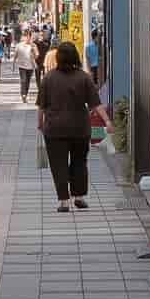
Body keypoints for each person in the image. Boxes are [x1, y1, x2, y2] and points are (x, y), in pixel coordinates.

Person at [37, 40, 108, 211]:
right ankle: (79, 196)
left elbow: (41, 106)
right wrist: (108, 121)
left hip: (54, 129)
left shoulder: (49, 78)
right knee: (79, 162)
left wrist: (40, 124)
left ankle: (63, 201)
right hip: (79, 128)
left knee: (58, 164)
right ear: (76, 56)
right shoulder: (83, 77)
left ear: (58, 57)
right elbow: (95, 104)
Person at [12, 33, 37, 100]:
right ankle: (23, 94)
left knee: (28, 81)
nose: (28, 39)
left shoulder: (33, 45)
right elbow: (15, 55)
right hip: (22, 66)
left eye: (29, 37)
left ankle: (25, 93)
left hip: (30, 66)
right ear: (24, 37)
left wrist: (33, 51)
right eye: (26, 37)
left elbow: (37, 56)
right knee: (23, 80)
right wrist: (13, 64)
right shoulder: (19, 45)